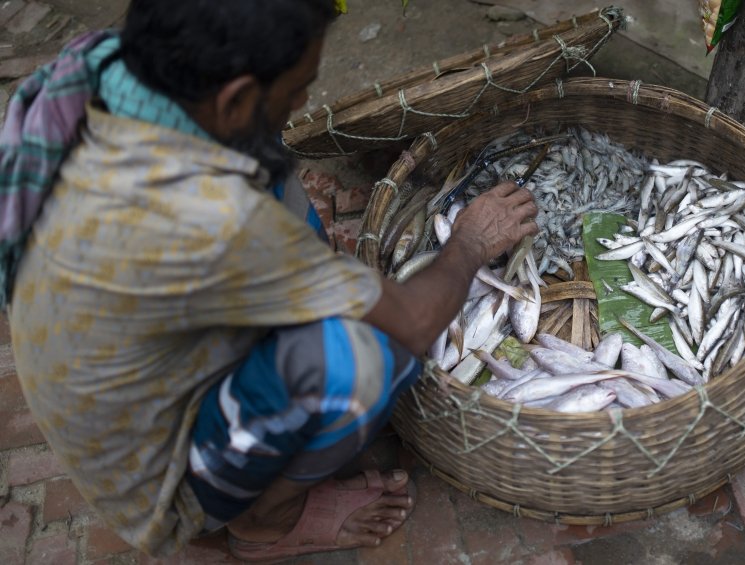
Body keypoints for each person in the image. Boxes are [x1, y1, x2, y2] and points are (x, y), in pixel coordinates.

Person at [1, 0, 538, 560]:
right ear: (232, 95)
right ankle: (265, 521)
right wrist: (470, 242)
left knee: (273, 168)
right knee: (371, 357)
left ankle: (272, 414)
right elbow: (412, 322)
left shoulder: (101, 68)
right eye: (299, 86)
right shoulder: (211, 216)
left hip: (120, 359)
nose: (305, 100)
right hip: (157, 478)